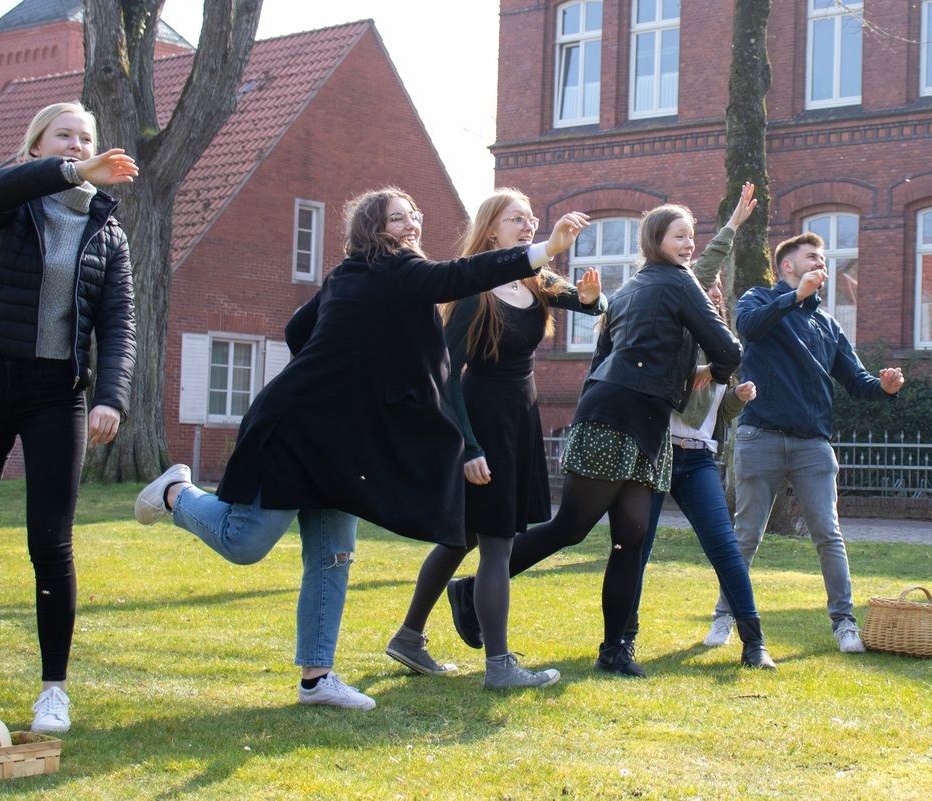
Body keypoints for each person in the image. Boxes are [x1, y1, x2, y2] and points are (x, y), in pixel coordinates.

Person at [133, 187, 590, 710]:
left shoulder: (352, 278)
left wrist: (354, 371)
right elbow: (459, 277)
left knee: (332, 557)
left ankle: (316, 680)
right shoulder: (395, 272)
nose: (411, 225)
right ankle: (177, 493)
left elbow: (296, 329)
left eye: (413, 215)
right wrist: (544, 248)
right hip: (299, 431)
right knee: (245, 542)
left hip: (340, 443)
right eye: (398, 219)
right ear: (374, 231)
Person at [0, 102, 139, 733]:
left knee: (51, 537)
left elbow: (119, 323)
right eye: (64, 137)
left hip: (54, 392)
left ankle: (53, 689)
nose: (77, 144)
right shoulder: (9, 204)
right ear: (37, 147)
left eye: (86, 137)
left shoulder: (108, 233)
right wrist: (71, 170)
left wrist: (110, 397)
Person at [448, 200, 743, 677]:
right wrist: (719, 369)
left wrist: (695, 373)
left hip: (631, 416)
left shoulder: (627, 290)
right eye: (679, 237)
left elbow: (602, 354)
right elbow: (726, 345)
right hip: (618, 416)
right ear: (656, 244)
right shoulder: (676, 281)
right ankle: (470, 589)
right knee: (574, 527)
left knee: (630, 536)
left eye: (692, 236)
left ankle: (615, 649)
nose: (689, 245)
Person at [385, 189, 605, 690]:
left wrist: (593, 297)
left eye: (530, 219)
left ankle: (408, 638)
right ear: (490, 230)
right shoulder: (471, 289)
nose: (527, 226)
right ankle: (500, 666)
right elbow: (445, 374)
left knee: (462, 536)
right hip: (482, 419)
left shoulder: (536, 278)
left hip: (520, 417)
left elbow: (593, 306)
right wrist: (468, 447)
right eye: (516, 220)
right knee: (497, 545)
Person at [704, 231, 905, 654]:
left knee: (828, 536)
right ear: (788, 267)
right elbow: (749, 329)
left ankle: (844, 624)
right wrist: (794, 297)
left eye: (824, 260)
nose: (821, 265)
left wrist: (885, 387)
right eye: (812, 257)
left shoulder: (827, 324)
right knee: (745, 536)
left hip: (813, 444)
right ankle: (725, 616)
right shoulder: (759, 300)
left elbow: (856, 381)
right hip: (760, 437)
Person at [630, 183, 775, 669]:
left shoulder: (719, 338)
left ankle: (754, 642)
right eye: (680, 236)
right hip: (654, 449)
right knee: (637, 548)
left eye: (713, 294)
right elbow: (702, 267)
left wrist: (733, 396)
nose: (709, 293)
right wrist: (730, 227)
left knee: (725, 548)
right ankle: (623, 641)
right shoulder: (672, 317)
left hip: (694, 458)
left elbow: (715, 410)